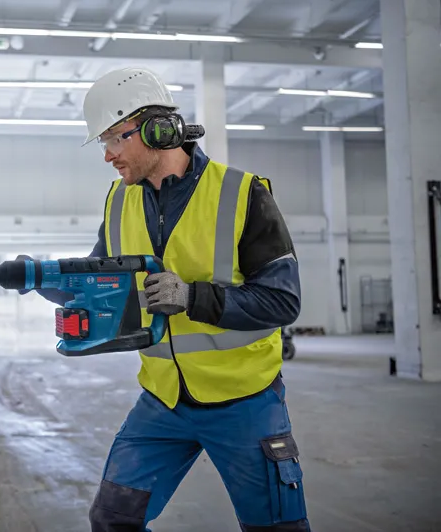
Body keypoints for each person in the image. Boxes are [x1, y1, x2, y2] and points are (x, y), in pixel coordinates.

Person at [22, 67, 309, 532]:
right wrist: (36, 275)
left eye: (115, 138)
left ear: (159, 130)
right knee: (113, 520)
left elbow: (282, 302)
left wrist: (191, 297)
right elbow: (99, 283)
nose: (109, 155)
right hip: (163, 400)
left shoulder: (241, 193)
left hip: (245, 400)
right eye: (103, 143)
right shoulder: (119, 200)